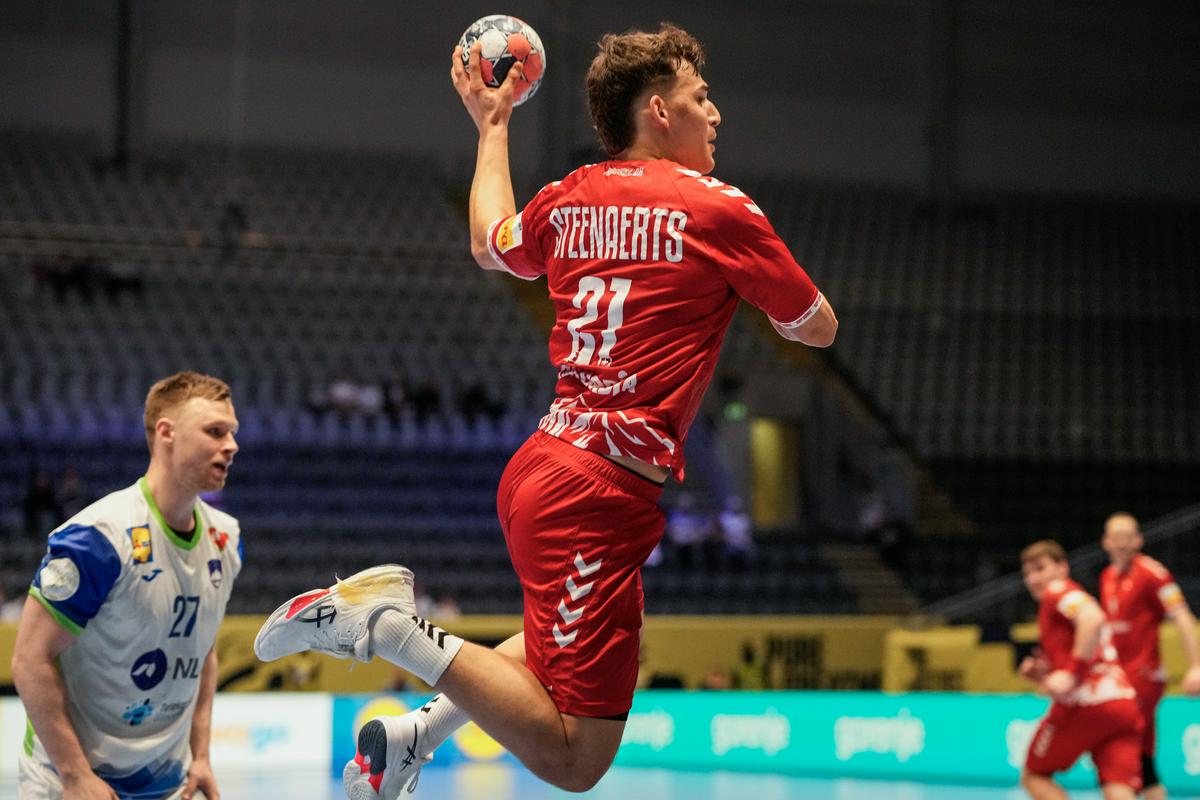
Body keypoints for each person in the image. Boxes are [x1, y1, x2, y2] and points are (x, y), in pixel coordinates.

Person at [254, 23, 837, 797]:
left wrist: (493, 126)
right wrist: (746, 289)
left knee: (544, 644)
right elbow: (816, 327)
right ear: (658, 111)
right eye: (702, 98)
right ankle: (383, 626)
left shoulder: (568, 197)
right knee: (576, 759)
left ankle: (414, 735)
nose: (716, 114)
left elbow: (488, 241)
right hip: (597, 494)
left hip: (551, 467)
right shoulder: (720, 209)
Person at [11, 371, 242, 800]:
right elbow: (29, 660)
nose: (231, 445)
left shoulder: (226, 538)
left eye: (232, 432)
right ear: (167, 432)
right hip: (71, 784)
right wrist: (75, 776)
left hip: (166, 783)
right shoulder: (98, 538)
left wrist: (201, 756)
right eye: (215, 431)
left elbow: (203, 652)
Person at [1017, 540, 1143, 800]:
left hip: (1084, 705)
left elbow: (1092, 618)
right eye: (1027, 573)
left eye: (1040, 568)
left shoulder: (1058, 591)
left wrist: (1071, 672)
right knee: (1118, 786)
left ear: (1062, 567)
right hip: (1122, 704)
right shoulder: (1061, 607)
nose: (1033, 579)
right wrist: (1044, 674)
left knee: (1034, 776)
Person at [1099, 512, 1200, 800]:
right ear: (1105, 542)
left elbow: (1182, 617)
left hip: (1143, 678)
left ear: (1138, 540)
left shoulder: (1153, 574)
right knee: (1141, 757)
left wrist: (1196, 667)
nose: (1121, 543)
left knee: (1122, 751)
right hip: (1117, 679)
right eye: (1115, 537)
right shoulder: (1107, 577)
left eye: (1127, 537)